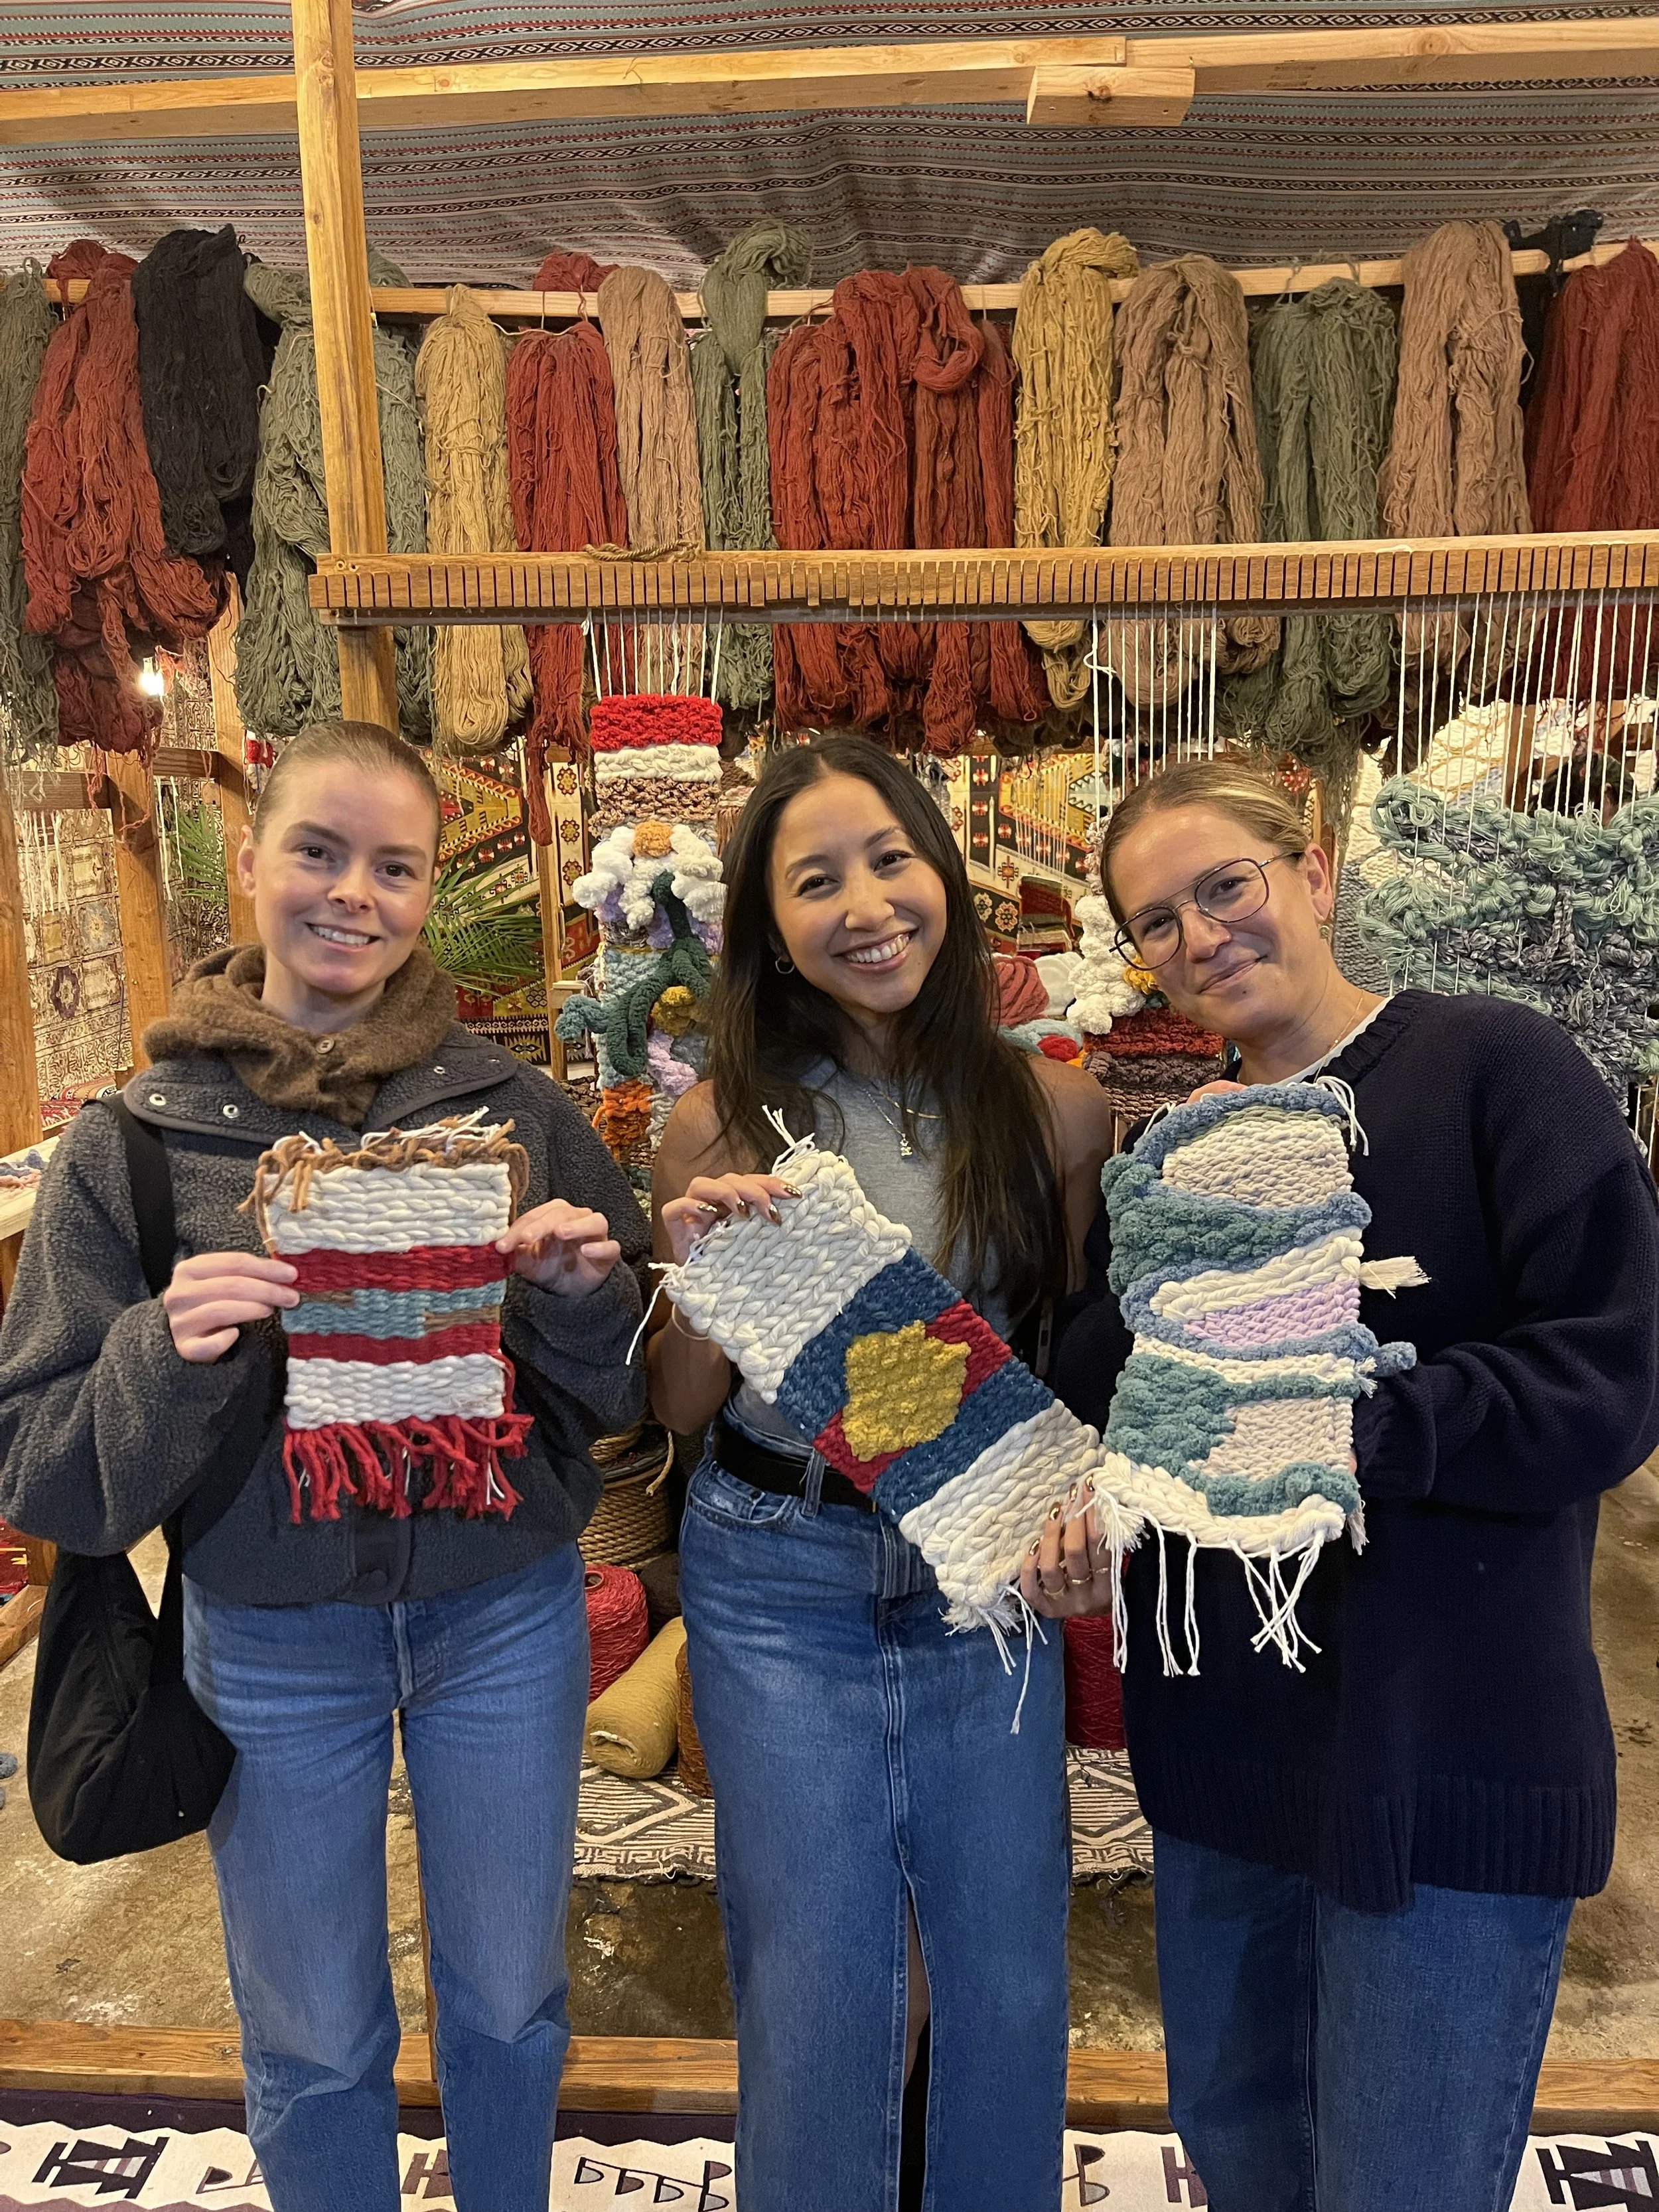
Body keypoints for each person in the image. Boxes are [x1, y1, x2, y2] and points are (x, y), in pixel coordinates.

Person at [0, 720, 648, 2212]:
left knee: (508, 2004)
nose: (353, 893)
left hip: (504, 1621)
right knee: (308, 2031)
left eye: (395, 866)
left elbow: (619, 1395)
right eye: (317, 849)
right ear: (249, 860)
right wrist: (163, 1351)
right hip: (271, 1640)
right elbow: (37, 1464)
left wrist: (578, 1297)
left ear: (428, 891)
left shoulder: (516, 1112)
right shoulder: (137, 1144)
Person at [1041, 756, 1659, 2212]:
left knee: (1396, 2178)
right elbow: (1109, 1383)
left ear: (1311, 870)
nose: (1196, 938)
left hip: (1444, 1747)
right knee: (1246, 2152)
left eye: (1223, 888)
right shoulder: (1175, 1151)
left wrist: (1351, 1426)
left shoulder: (1495, 1069)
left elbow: (1613, 1373)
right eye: (1153, 922)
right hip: (1222, 1762)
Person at [648, 731, 1113, 2212]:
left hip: (981, 1582)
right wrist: (700, 1275)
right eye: (812, 880)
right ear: (767, 930)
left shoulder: (1056, 1108)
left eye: (888, 857)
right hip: (775, 1570)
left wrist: (1085, 1518)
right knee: (813, 1971)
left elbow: (1068, 1368)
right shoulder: (713, 1120)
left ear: (942, 871)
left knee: (1004, 1968)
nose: (864, 904)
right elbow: (676, 1406)